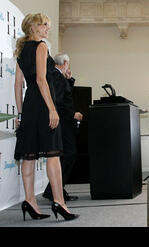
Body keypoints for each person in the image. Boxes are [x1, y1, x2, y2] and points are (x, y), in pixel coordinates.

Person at [13, 13, 78, 221]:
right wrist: (52, 108)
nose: (47, 28)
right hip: (43, 103)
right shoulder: (41, 46)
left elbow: (18, 85)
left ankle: (30, 201)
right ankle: (59, 201)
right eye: (44, 25)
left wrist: (21, 113)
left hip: (30, 105)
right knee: (53, 153)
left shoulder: (22, 50)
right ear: (34, 27)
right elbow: (42, 80)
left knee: (29, 155)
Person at [42, 54, 82, 202]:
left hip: (64, 122)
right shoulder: (57, 77)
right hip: (64, 123)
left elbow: (65, 95)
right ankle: (53, 190)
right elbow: (58, 102)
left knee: (66, 155)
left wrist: (69, 79)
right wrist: (73, 114)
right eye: (68, 64)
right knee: (69, 155)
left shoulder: (59, 77)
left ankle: (53, 190)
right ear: (65, 63)